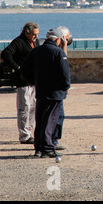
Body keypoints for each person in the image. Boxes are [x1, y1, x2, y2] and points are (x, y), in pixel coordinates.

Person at [20, 28, 71, 158]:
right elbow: (65, 74)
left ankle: (39, 148)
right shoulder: (58, 52)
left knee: (41, 120)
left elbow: (24, 70)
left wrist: (34, 81)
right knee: (51, 120)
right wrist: (65, 87)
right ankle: (48, 148)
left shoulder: (36, 51)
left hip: (41, 90)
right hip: (55, 92)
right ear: (58, 39)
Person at [0, 22, 40, 144]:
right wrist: (17, 67)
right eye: (33, 34)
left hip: (33, 80)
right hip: (23, 81)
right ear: (26, 32)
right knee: (25, 108)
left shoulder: (34, 42)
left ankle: (30, 133)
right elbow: (5, 54)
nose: (36, 37)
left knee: (33, 108)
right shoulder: (18, 42)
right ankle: (24, 135)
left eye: (37, 34)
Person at [52, 26, 72, 151]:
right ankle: (53, 140)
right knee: (58, 115)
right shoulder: (56, 51)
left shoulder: (51, 49)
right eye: (67, 38)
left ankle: (48, 140)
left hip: (46, 88)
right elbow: (64, 63)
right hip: (55, 89)